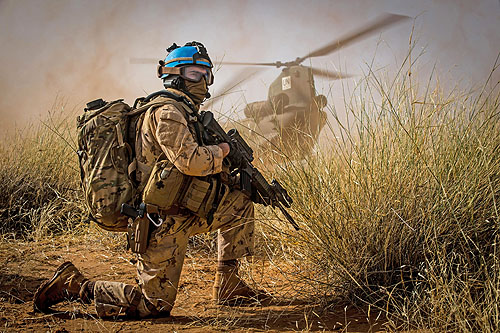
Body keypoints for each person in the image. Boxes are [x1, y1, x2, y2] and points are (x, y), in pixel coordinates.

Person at [33, 41, 261, 318]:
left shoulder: (186, 112)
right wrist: (225, 150)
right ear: (174, 75)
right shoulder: (167, 112)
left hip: (183, 211)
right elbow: (192, 161)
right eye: (193, 74)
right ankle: (76, 285)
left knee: (240, 201)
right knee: (152, 307)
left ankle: (229, 284)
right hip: (159, 222)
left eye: (206, 74)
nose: (202, 81)